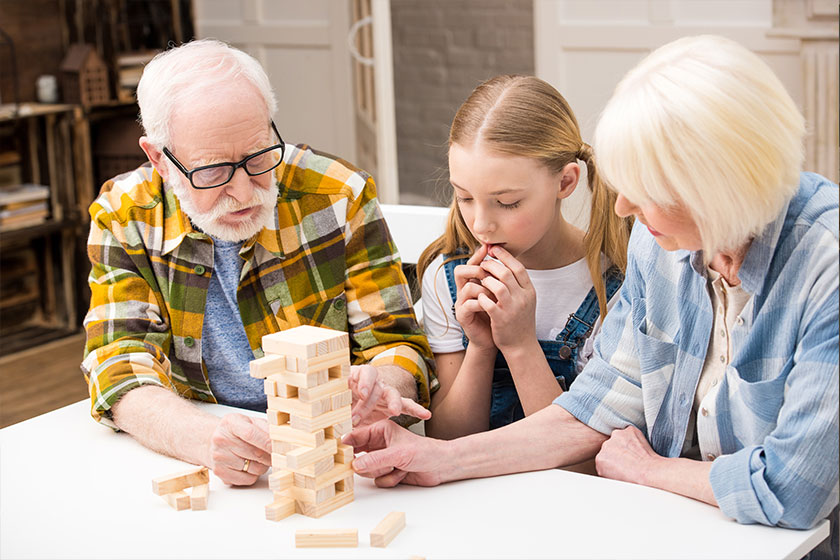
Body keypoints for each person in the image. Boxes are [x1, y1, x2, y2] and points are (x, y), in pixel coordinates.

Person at [347, 34, 839, 550]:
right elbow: (594, 409)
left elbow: (792, 489)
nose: (622, 206)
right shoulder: (663, 248)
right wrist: (436, 458)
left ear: (714, 190)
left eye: (645, 189)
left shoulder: (824, 262)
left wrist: (652, 471)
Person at [81, 39, 434, 486]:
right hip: (207, 458)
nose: (245, 193)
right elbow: (119, 365)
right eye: (212, 171)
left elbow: (399, 345)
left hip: (333, 456)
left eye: (257, 156)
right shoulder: (124, 214)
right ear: (160, 160)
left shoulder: (338, 194)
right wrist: (204, 439)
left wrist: (383, 385)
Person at [416, 75, 631, 439]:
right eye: (464, 197)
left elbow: (582, 461)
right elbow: (447, 439)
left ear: (565, 182)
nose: (481, 225)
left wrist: (519, 344)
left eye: (507, 202)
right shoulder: (446, 277)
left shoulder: (615, 287)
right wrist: (481, 346)